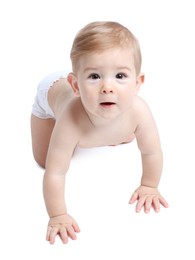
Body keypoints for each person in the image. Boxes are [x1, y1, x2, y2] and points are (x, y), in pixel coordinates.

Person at [31, 21, 169, 245]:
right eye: (94, 77)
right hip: (51, 96)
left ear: (137, 82)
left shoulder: (139, 111)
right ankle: (85, 126)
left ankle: (106, 129)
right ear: (76, 86)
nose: (107, 87)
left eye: (120, 76)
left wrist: (149, 185)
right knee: (45, 160)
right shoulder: (69, 120)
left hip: (98, 106)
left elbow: (152, 152)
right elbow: (55, 174)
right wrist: (57, 215)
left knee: (129, 134)